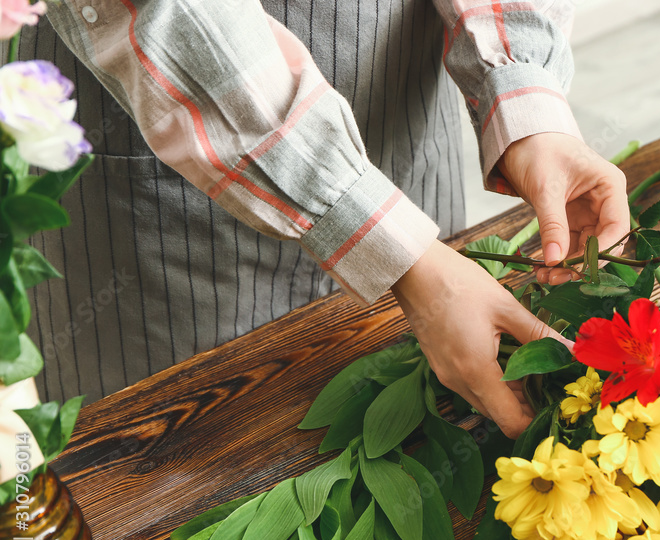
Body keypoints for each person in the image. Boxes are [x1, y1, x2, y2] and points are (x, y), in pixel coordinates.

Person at [25, 0, 629, 438]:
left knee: (437, 441)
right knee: (162, 484)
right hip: (170, 153)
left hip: (397, 104)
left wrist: (523, 95)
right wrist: (401, 253)